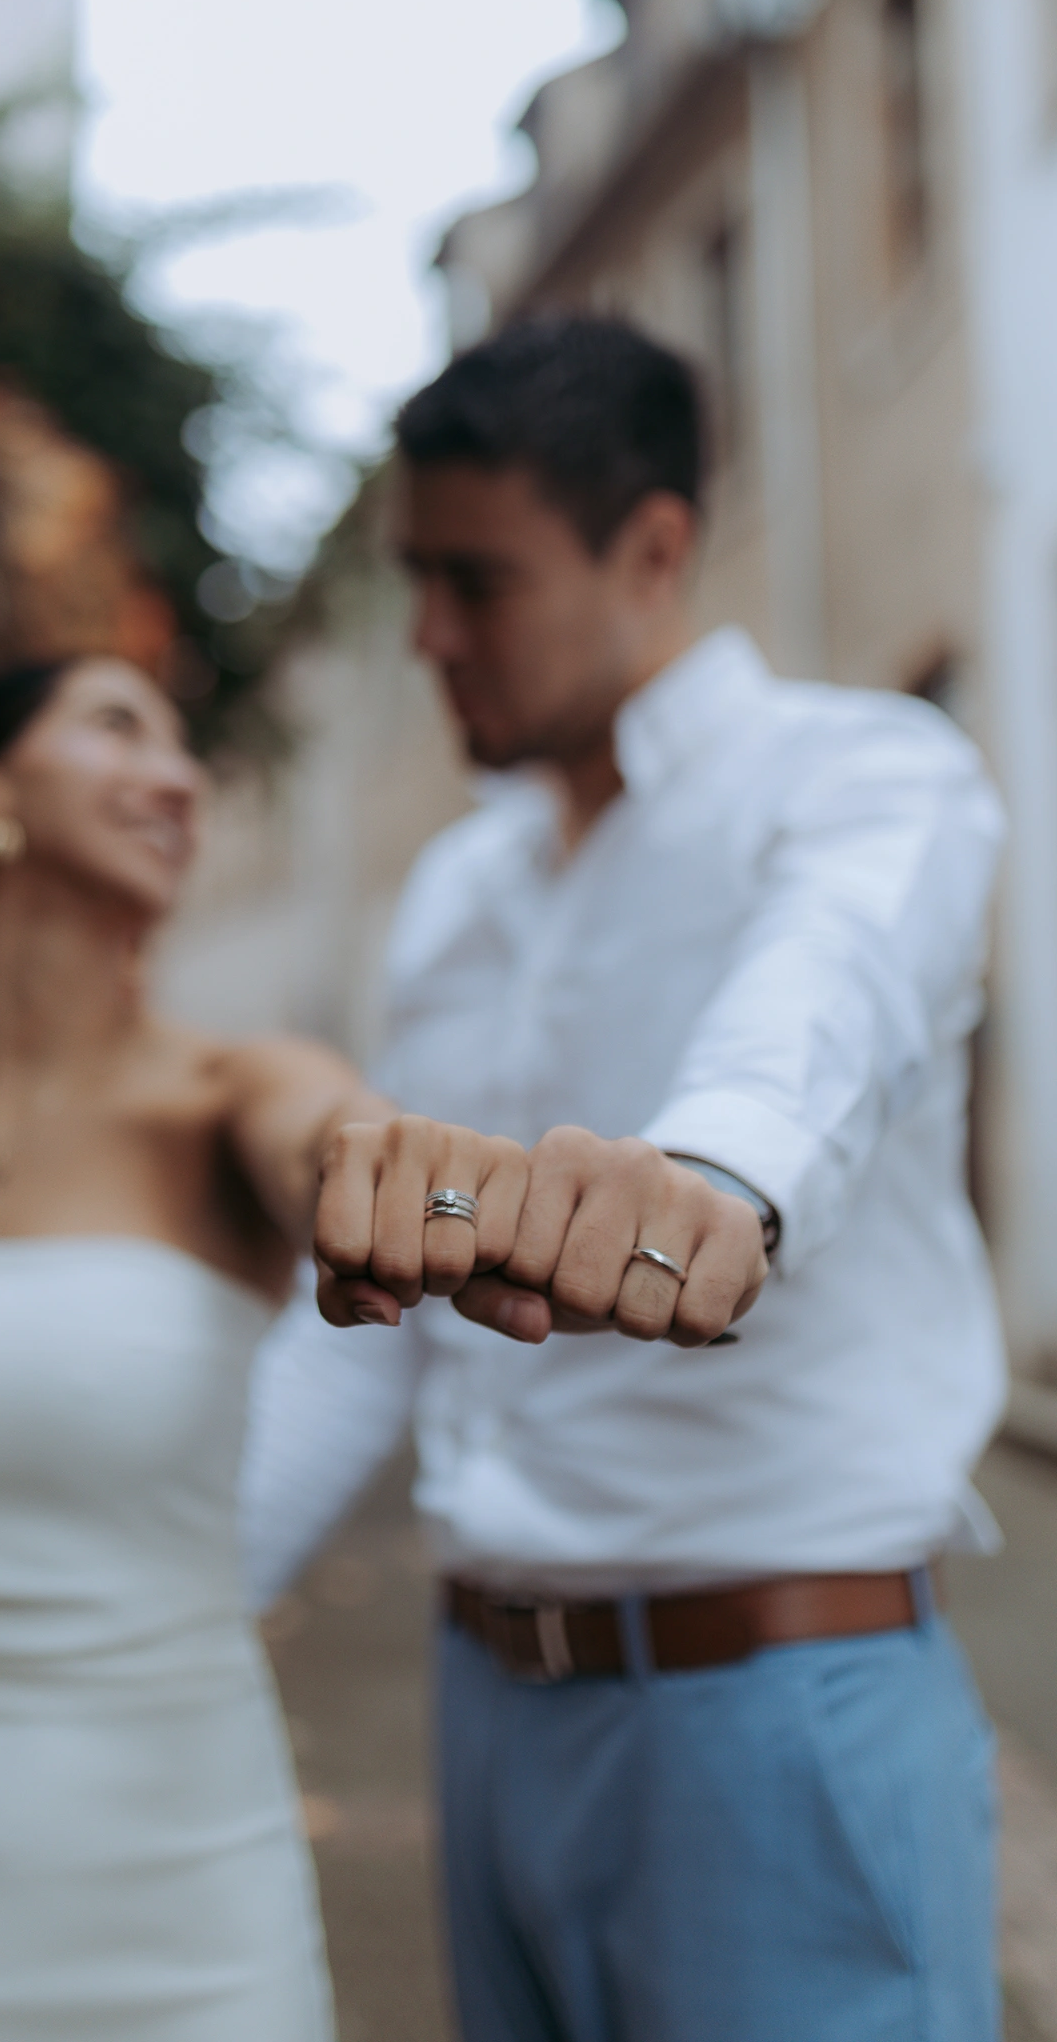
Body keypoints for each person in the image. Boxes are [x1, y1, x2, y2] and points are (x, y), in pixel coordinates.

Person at [0, 651, 760, 2042]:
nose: (179, 779)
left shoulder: (236, 1096)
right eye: (116, 728)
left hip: (181, 1927)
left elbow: (337, 1145)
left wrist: (423, 1182)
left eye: (183, 751)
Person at [242, 315, 1008, 2042]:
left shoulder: (864, 777)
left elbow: (828, 999)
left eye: (478, 582)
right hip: (486, 1715)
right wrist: (166, 1617)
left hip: (770, 1709)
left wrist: (713, 1179)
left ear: (651, 548)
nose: (431, 638)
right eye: (415, 583)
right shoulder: (455, 889)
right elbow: (386, 1318)